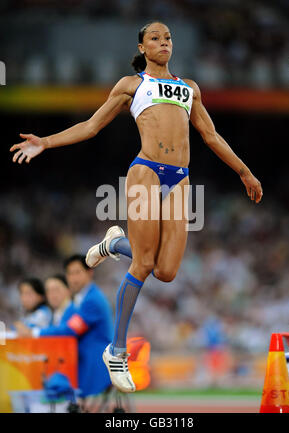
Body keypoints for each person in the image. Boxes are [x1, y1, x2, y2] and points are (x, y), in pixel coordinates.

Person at [10, 21, 263, 393]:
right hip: (146, 170)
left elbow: (210, 135)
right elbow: (92, 126)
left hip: (179, 178)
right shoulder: (132, 85)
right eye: (155, 39)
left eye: (168, 37)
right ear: (143, 48)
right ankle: (117, 351)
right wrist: (45, 142)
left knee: (167, 272)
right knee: (143, 265)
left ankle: (113, 244)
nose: (164, 43)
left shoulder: (189, 88)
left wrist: (245, 172)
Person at [15, 255, 114, 411]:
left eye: (77, 272)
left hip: (92, 363)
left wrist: (34, 332)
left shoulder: (91, 300)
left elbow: (70, 330)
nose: (73, 278)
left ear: (89, 273)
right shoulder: (84, 298)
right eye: (70, 273)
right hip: (82, 360)